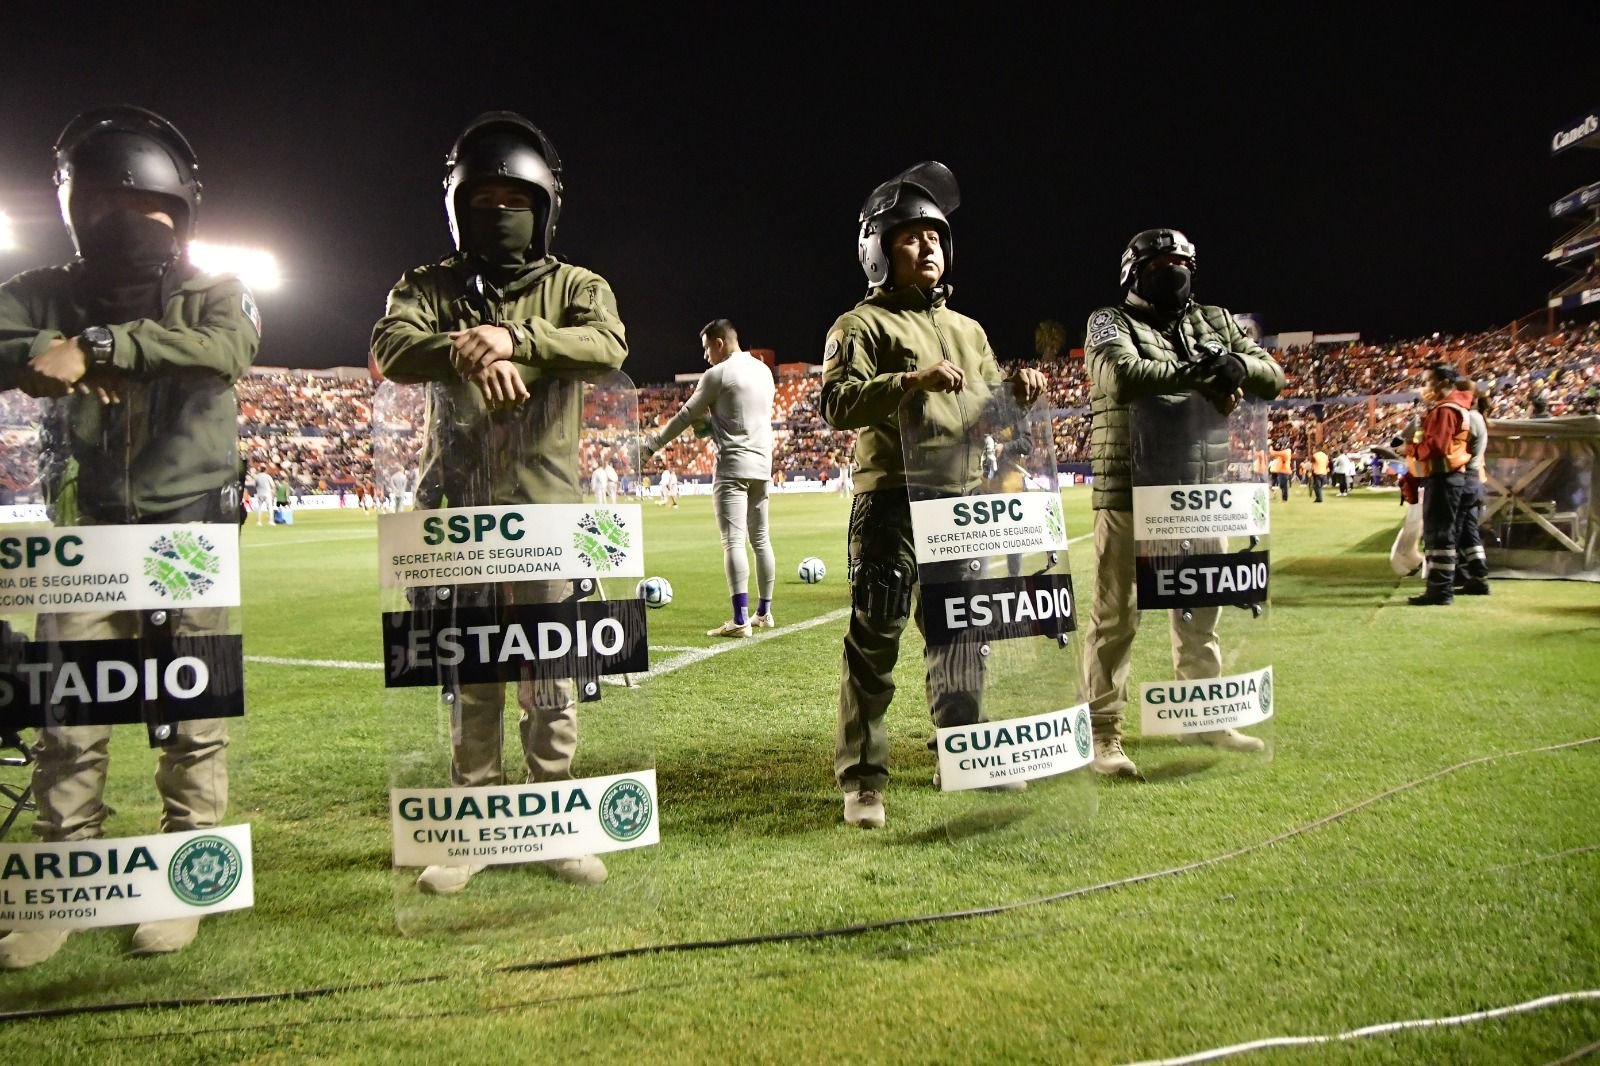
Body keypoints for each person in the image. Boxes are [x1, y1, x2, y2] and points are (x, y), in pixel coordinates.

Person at [0, 106, 259, 968]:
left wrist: (101, 348)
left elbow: (224, 348)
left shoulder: (214, 287)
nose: (131, 223)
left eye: (150, 209)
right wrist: (47, 346)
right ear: (78, 211)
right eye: (109, 207)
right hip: (85, 535)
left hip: (188, 533)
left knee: (194, 711)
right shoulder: (46, 289)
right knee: (67, 713)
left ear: (181, 214)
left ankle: (188, 877)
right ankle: (66, 884)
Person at [370, 110, 627, 893]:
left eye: (517, 200)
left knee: (550, 672)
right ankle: (474, 822)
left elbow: (609, 345)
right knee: (473, 673)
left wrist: (518, 340)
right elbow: (389, 347)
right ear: (458, 207)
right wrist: (464, 347)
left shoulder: (577, 285)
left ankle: (554, 817)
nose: (501, 211)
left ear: (546, 207)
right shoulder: (426, 285)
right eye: (484, 199)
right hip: (458, 512)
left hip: (548, 514)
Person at [820, 161, 1046, 828]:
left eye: (936, 238)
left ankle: (965, 754)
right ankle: (862, 780)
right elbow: (836, 403)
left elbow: (987, 414)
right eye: (911, 238)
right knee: (876, 638)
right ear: (878, 250)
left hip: (962, 501)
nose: (928, 248)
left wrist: (1016, 395)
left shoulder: (970, 330)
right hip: (892, 501)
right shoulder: (859, 325)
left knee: (962, 636)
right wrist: (909, 382)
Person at [1081, 228, 1285, 778]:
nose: (1172, 270)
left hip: (1201, 490)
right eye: (1159, 263)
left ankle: (1204, 714)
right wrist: (1204, 372)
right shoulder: (1109, 320)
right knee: (1116, 616)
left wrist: (1240, 365)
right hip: (1129, 489)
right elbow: (1121, 377)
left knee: (1201, 607)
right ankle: (1102, 733)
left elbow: (1272, 375)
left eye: (1182, 262)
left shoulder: (1216, 319)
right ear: (1133, 273)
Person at [648, 320, 776, 637]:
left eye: (707, 348)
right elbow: (741, 418)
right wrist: (710, 426)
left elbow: (685, 416)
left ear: (720, 343)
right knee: (761, 540)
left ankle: (740, 619)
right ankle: (763, 613)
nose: (706, 356)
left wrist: (651, 446)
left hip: (733, 467)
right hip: (763, 464)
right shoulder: (764, 371)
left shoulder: (718, 374)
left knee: (733, 541)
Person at [1404, 366, 1475, 606]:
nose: (1424, 387)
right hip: (1450, 477)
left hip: (1444, 478)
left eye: (1427, 381)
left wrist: (1411, 449)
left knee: (1438, 535)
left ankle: (1440, 590)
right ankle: (1441, 587)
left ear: (1444, 382)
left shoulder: (1445, 410)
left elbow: (1437, 447)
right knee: (1441, 534)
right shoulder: (1457, 407)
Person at [1452, 379, 1491, 596]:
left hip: (1464, 478)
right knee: (1469, 531)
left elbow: (1454, 448)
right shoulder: (1477, 417)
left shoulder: (1469, 418)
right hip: (1473, 480)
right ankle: (1479, 576)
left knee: (1455, 531)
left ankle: (1448, 577)